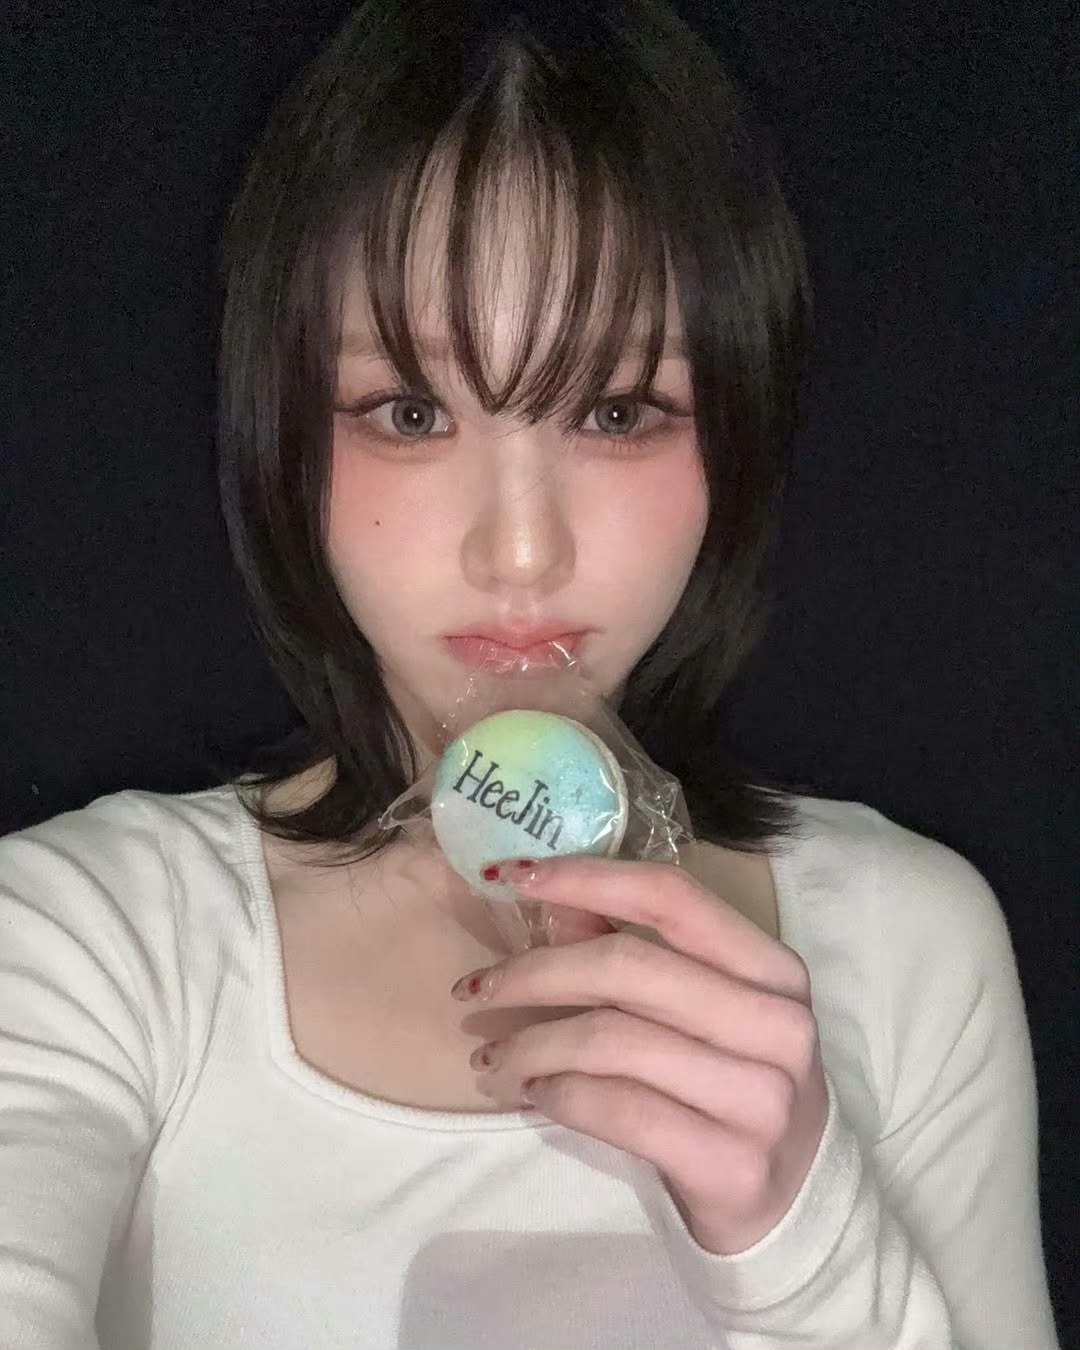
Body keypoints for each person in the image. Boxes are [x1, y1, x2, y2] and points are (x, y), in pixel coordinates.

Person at [0, 2, 1059, 1347]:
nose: (519, 550)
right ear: (285, 438)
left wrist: (807, 1248)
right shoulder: (83, 942)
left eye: (618, 412)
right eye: (409, 412)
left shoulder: (909, 946)